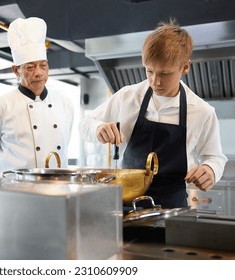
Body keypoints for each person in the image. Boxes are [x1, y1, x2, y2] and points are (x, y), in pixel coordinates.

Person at [79, 19, 227, 208]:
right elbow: (84, 124)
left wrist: (210, 169)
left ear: (185, 67)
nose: (155, 81)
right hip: (127, 204)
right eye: (149, 71)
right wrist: (97, 128)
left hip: (172, 208)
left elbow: (215, 156)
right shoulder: (128, 96)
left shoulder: (202, 111)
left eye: (165, 74)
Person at [0, 17, 74, 177]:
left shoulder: (65, 103)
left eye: (43, 65)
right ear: (16, 70)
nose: (39, 72)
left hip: (56, 187)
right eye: (30, 67)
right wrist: (1, 184)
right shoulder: (1, 105)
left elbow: (64, 148)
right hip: (14, 190)